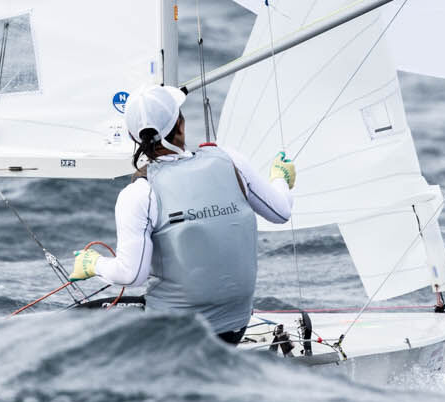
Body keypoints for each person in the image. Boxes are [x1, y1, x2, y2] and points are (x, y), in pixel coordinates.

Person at [68, 85, 296, 343]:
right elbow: (280, 211)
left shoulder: (139, 193)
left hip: (175, 338)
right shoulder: (231, 161)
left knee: (78, 326)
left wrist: (93, 264)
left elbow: (130, 275)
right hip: (234, 328)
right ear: (180, 125)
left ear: (134, 138)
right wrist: (280, 178)